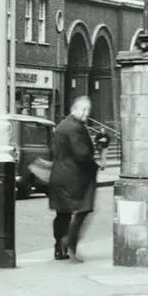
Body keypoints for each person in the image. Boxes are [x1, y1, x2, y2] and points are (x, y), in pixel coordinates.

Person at [49, 96, 101, 261]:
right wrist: (94, 165)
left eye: (88, 110)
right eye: (84, 110)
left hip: (59, 174)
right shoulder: (76, 128)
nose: (86, 114)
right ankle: (69, 243)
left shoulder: (62, 125)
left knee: (63, 213)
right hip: (75, 177)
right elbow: (82, 154)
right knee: (84, 208)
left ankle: (59, 247)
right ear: (75, 109)